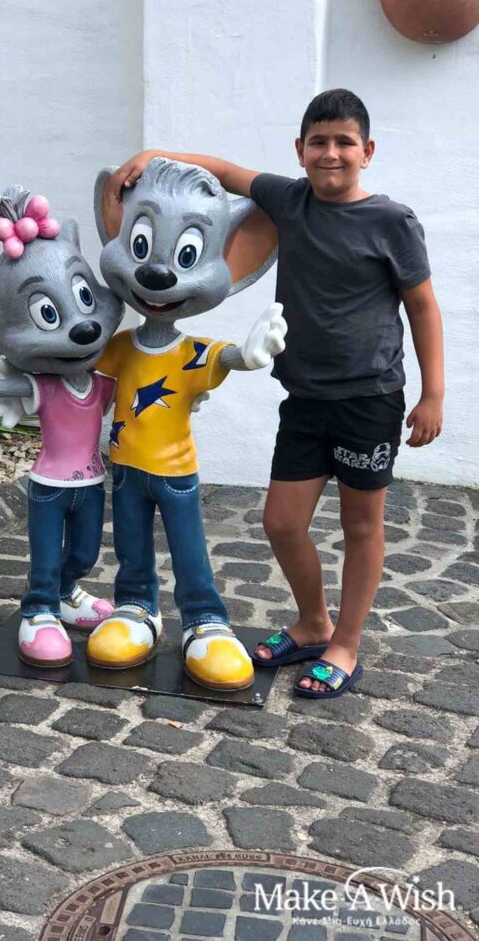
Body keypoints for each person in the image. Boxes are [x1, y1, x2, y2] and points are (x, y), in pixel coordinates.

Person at [109, 88, 444, 698]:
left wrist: (433, 395)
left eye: (344, 142)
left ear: (367, 151)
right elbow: (226, 170)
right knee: (282, 523)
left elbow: (422, 306)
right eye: (319, 142)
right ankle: (313, 623)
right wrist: (156, 154)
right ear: (300, 149)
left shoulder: (391, 222)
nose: (331, 153)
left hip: (369, 399)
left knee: (361, 525)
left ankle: (346, 643)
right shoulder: (290, 200)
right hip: (305, 399)